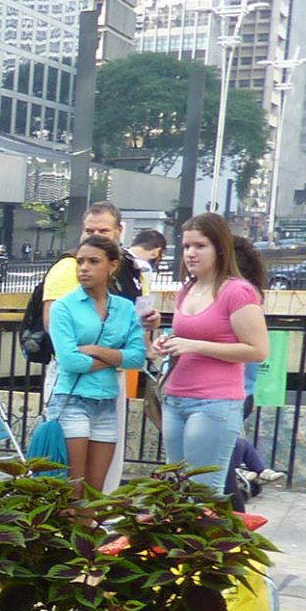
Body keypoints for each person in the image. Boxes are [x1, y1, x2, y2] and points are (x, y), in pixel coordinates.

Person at [153, 212, 270, 496]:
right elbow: (187, 336)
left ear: (219, 248)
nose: (190, 253)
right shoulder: (188, 289)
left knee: (203, 491)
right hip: (175, 398)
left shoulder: (238, 292)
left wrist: (194, 345)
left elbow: (258, 350)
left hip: (214, 402)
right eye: (186, 246)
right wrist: (166, 342)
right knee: (177, 488)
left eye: (200, 246)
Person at [48, 234, 147, 486]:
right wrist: (116, 358)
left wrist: (94, 350)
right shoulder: (63, 307)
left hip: (106, 402)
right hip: (72, 400)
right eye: (80, 261)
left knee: (95, 491)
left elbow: (137, 358)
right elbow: (70, 361)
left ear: (112, 265)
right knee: (72, 488)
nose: (84, 268)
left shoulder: (125, 308)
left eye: (93, 261)